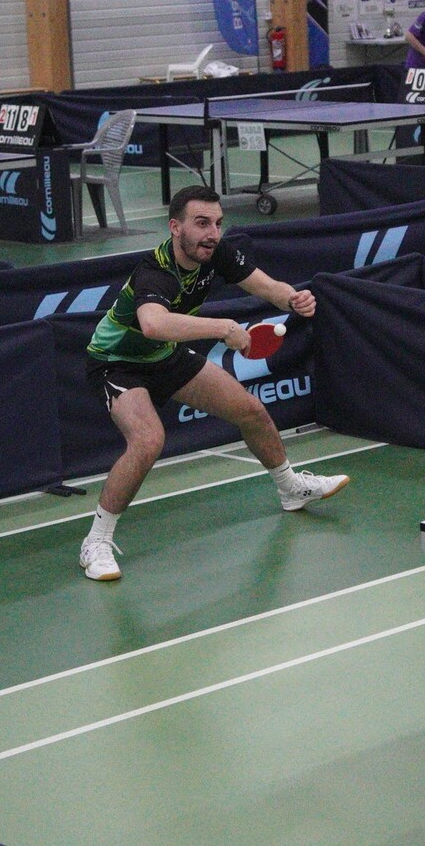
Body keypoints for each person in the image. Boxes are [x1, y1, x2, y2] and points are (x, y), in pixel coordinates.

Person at [77, 185, 350, 581]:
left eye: (218, 223)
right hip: (116, 362)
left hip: (164, 355)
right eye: (202, 223)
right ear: (175, 227)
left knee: (250, 411)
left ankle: (291, 488)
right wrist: (223, 328)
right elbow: (153, 324)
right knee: (148, 440)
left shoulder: (216, 253)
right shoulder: (156, 271)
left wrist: (293, 299)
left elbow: (267, 287)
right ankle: (96, 541)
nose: (212, 233)